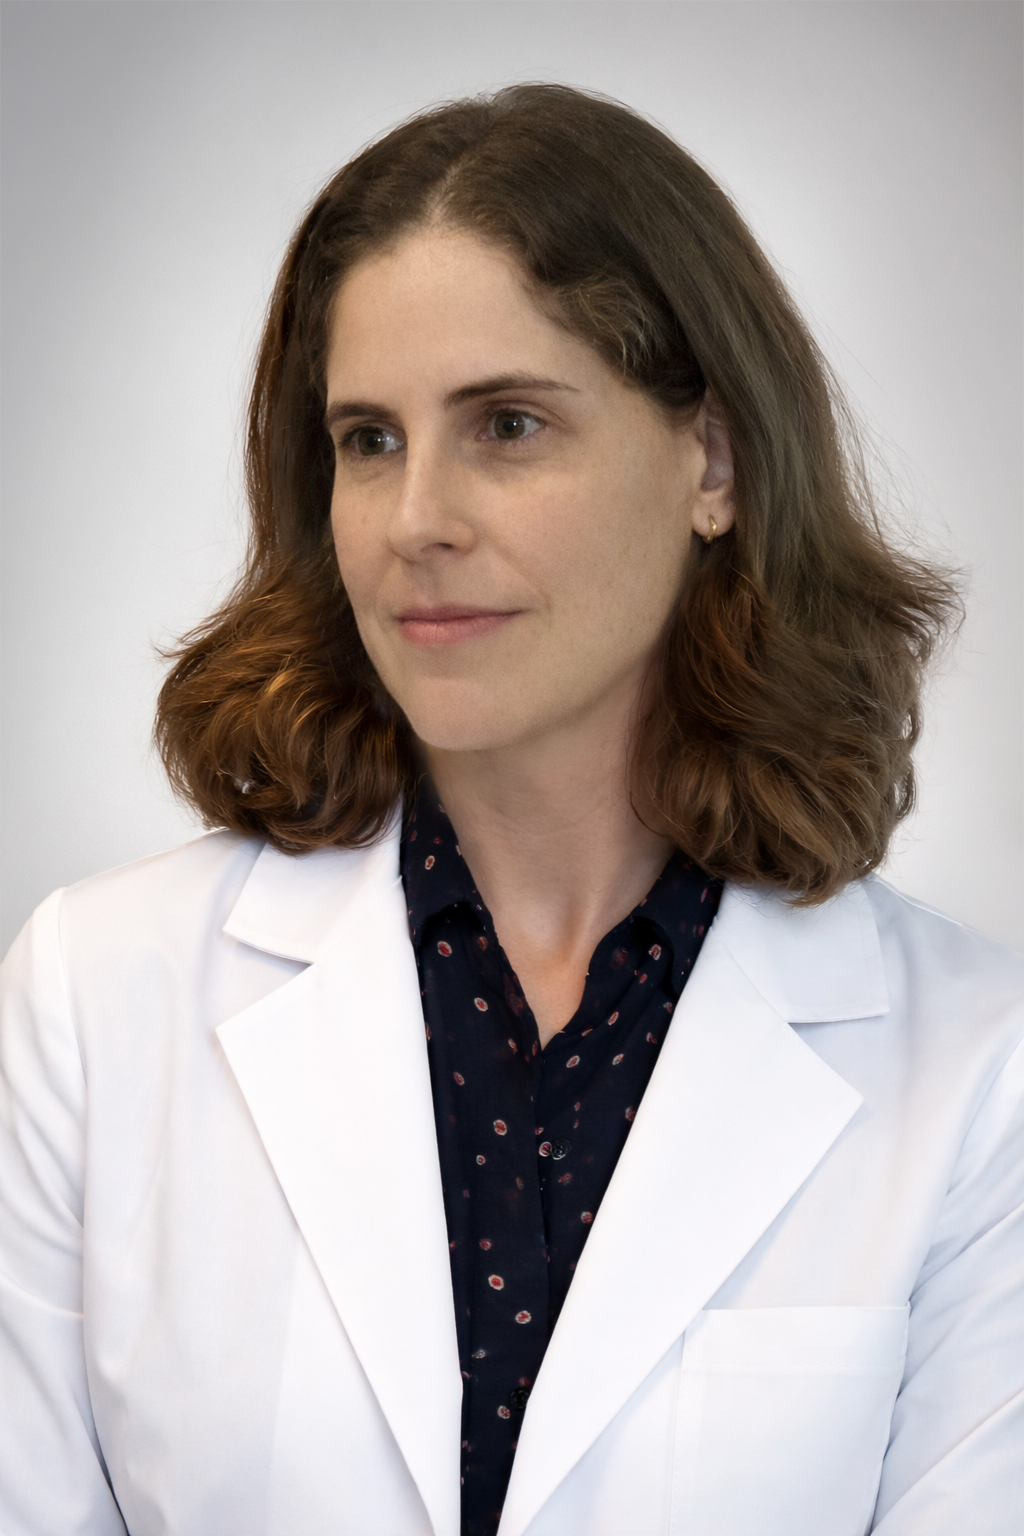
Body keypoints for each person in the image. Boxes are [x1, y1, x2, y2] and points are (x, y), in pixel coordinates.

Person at [0, 82, 1021, 1536]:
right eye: (369, 439)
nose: (418, 520)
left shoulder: (977, 1071)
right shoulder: (97, 998)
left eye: (509, 424)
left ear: (714, 462)